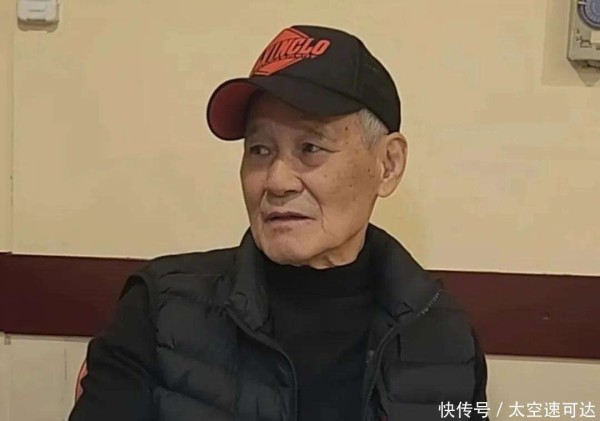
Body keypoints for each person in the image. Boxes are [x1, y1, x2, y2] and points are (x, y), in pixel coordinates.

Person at [69, 25, 488, 421]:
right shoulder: (159, 309)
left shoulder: (444, 335)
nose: (276, 181)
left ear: (388, 164)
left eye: (310, 147)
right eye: (259, 150)